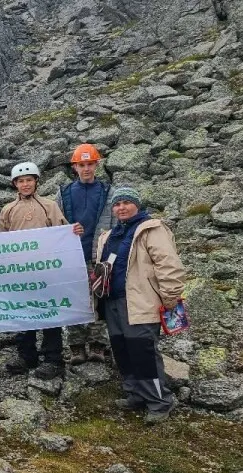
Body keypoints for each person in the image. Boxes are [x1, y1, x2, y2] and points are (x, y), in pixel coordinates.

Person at [95, 187, 185, 424]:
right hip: (112, 302)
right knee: (122, 349)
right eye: (117, 204)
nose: (121, 207)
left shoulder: (152, 229)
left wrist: (169, 298)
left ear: (137, 205)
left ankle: (159, 402)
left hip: (140, 302)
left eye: (126, 202)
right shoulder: (109, 234)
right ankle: (135, 394)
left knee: (142, 351)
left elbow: (169, 265)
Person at [0, 162, 71, 380]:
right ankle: (26, 355)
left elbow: (62, 233)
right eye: (21, 181)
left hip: (47, 272)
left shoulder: (49, 206)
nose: (25, 184)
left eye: (29, 180)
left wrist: (73, 231)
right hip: (20, 273)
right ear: (15, 185)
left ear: (36, 181)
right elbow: (1, 242)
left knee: (50, 312)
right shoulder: (8, 209)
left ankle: (52, 358)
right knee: (24, 313)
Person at [57, 143, 117, 364]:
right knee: (75, 302)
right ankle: (76, 346)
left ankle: (97, 345)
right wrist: (67, 229)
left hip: (99, 257)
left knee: (99, 301)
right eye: (81, 165)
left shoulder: (107, 191)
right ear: (75, 167)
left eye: (90, 164)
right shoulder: (63, 193)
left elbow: (115, 221)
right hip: (72, 258)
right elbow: (57, 223)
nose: (86, 169)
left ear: (96, 164)